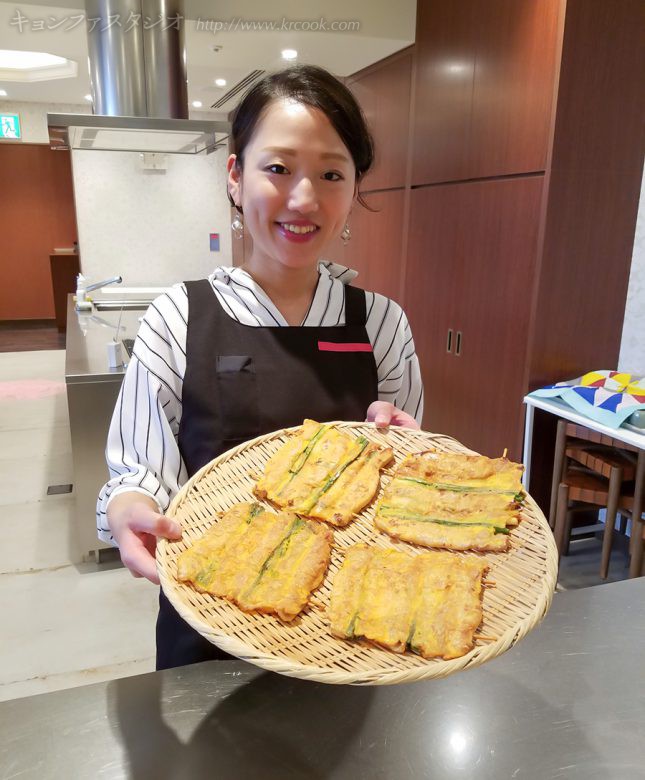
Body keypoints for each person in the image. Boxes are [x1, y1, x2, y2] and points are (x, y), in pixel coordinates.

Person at [97, 64, 424, 670]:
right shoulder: (181, 315)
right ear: (234, 175)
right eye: (277, 168)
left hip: (347, 635)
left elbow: (399, 495)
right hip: (212, 621)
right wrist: (128, 512)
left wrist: (406, 450)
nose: (304, 198)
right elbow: (137, 470)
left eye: (331, 173)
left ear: (354, 189)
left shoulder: (381, 323)